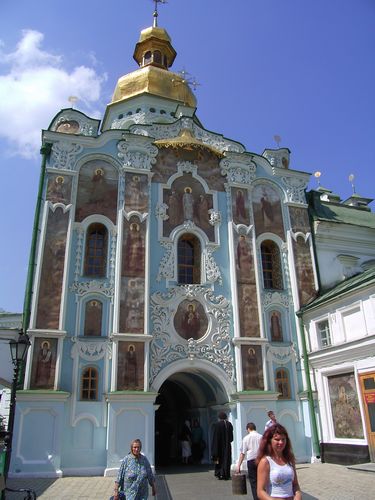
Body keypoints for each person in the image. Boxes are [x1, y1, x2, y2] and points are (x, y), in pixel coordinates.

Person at [256, 424, 302, 500]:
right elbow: (260, 491)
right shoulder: (265, 461)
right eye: (277, 439)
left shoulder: (289, 459)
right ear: (269, 441)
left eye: (283, 439)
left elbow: (295, 484)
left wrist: (298, 495)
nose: (281, 442)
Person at [237, 422, 262, 500]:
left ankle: (256, 498)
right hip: (261, 460)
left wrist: (238, 465)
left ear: (248, 429)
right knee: (262, 480)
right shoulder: (261, 437)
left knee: (253, 482)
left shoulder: (246, 438)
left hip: (251, 460)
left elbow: (242, 453)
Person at [211, 411, 233, 480]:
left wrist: (214, 448)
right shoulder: (229, 424)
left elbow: (215, 437)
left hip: (218, 446)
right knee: (227, 459)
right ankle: (226, 474)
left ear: (219, 417)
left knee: (218, 459)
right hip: (227, 446)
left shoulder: (217, 425)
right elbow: (231, 438)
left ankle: (219, 473)